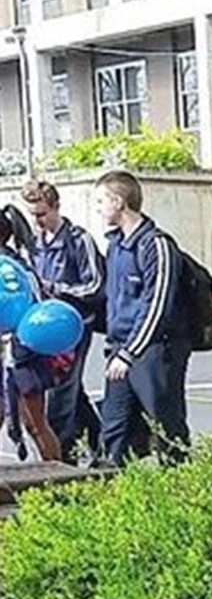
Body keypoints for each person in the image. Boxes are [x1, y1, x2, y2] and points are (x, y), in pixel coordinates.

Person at [96, 171, 190, 466]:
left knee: (166, 428)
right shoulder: (115, 245)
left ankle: (180, 488)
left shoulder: (156, 244)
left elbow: (157, 305)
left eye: (100, 201)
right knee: (114, 429)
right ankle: (115, 490)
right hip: (120, 351)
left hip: (154, 351)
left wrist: (130, 352)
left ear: (118, 201)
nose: (97, 208)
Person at [21, 178, 103, 464]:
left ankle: (64, 462)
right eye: (33, 215)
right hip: (44, 329)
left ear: (56, 208)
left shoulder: (79, 240)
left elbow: (95, 286)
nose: (37, 221)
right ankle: (102, 443)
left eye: (42, 214)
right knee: (71, 393)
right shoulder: (33, 244)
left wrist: (57, 289)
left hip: (73, 326)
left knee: (60, 397)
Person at [0, 209, 65, 462]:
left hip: (21, 352)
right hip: (24, 351)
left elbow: (31, 305)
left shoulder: (11, 268)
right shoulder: (20, 264)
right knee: (35, 423)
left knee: (35, 423)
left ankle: (56, 478)